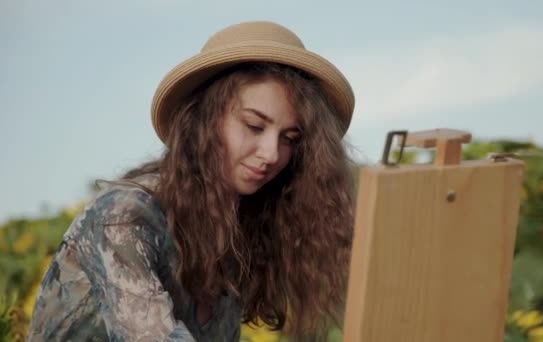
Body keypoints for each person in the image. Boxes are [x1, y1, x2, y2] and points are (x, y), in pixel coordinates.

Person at [27, 21, 355, 341]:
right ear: (204, 121)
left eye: (290, 138)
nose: (272, 153)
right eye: (255, 126)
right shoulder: (124, 216)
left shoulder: (238, 235)